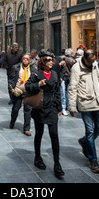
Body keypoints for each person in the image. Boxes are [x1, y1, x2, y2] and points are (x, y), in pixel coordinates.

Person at [25, 51, 64, 179]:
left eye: (52, 59)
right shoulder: (37, 73)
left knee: (54, 135)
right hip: (40, 108)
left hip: (52, 109)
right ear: (42, 61)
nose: (51, 61)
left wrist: (59, 107)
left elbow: (57, 91)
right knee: (39, 133)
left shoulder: (54, 74)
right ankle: (37, 157)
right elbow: (27, 86)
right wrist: (38, 84)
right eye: (48, 60)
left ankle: (57, 163)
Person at [68, 49, 99, 174]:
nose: (92, 63)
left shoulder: (95, 65)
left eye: (93, 61)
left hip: (97, 102)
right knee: (90, 131)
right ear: (84, 58)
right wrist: (72, 106)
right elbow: (72, 88)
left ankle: (84, 141)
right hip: (85, 103)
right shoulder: (76, 68)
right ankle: (93, 159)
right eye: (90, 61)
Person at [8, 53, 37, 136]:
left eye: (27, 59)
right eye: (24, 58)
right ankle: (12, 120)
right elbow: (11, 79)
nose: (25, 60)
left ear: (30, 60)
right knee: (16, 108)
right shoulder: (16, 67)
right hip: (18, 91)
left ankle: (26, 128)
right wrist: (12, 88)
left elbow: (36, 79)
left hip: (28, 92)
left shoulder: (32, 69)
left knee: (28, 110)